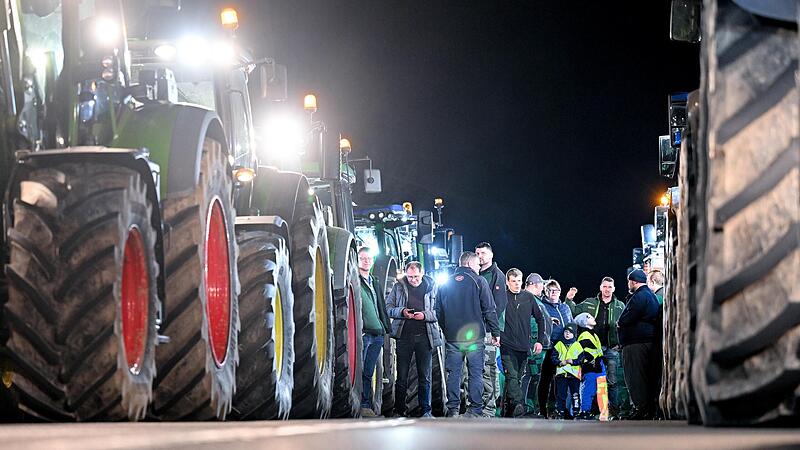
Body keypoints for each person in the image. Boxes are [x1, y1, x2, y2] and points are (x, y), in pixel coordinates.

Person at [436, 251, 500, 418]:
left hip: (452, 338)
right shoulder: (479, 281)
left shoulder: (445, 283)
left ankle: (453, 410)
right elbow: (489, 309)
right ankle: (475, 409)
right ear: (470, 264)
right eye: (478, 265)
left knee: (454, 374)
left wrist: (447, 329)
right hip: (475, 338)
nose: (479, 267)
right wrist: (495, 332)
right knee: (475, 374)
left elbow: (438, 311)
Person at [385, 261, 443, 418]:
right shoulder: (398, 287)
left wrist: (424, 315)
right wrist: (402, 311)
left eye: (416, 277)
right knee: (401, 377)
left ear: (422, 273)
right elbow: (388, 308)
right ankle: (399, 410)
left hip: (425, 337)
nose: (413, 280)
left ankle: (426, 410)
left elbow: (439, 311)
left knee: (425, 376)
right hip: (404, 337)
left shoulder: (432, 288)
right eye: (409, 277)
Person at [574, 277, 629, 418]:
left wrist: (621, 343)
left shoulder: (620, 306)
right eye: (605, 286)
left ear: (614, 289)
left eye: (610, 287)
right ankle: (591, 410)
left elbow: (626, 325)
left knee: (612, 382)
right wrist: (569, 299)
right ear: (600, 287)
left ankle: (613, 412)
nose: (607, 289)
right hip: (593, 351)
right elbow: (574, 311)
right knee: (591, 380)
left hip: (611, 348)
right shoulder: (590, 303)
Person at [500, 268, 546, 417]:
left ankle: (507, 412)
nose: (516, 284)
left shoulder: (528, 297)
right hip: (506, 345)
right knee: (512, 376)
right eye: (513, 281)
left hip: (524, 346)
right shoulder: (501, 297)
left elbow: (540, 318)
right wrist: (495, 334)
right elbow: (492, 315)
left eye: (519, 281)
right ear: (507, 282)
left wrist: (539, 341)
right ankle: (520, 404)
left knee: (515, 379)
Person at [618, 268, 660, 419]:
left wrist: (620, 323)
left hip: (636, 344)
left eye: (629, 281)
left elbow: (626, 318)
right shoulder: (650, 296)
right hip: (646, 342)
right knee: (646, 376)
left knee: (635, 377)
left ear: (633, 281)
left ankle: (641, 408)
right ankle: (647, 408)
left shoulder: (639, 296)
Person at [358, 247, 392, 417]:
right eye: (363, 258)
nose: (366, 261)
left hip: (377, 334)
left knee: (369, 372)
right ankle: (362, 405)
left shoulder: (375, 282)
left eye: (369, 258)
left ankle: (368, 405)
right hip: (364, 333)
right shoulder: (354, 281)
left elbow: (381, 307)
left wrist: (385, 328)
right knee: (361, 371)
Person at [475, 242, 507, 417]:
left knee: (489, 369)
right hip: (474, 329)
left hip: (488, 330)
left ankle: (490, 409)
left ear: (491, 255)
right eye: (478, 253)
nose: (480, 256)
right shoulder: (474, 274)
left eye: (483, 253)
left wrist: (493, 329)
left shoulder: (497, 276)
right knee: (476, 369)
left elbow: (498, 305)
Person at [537, 279, 573, 418]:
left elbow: (571, 324)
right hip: (549, 348)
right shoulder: (542, 306)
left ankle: (560, 409)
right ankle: (543, 409)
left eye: (556, 290)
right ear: (545, 292)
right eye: (550, 290)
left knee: (561, 381)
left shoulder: (565, 308)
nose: (553, 293)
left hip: (564, 349)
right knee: (545, 380)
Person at [520, 273, 551, 416]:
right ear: (535, 284)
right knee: (530, 376)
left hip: (539, 345)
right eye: (542, 285)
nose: (543, 287)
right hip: (533, 346)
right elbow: (528, 323)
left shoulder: (534, 299)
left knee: (535, 377)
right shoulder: (527, 298)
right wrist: (534, 341)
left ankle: (531, 407)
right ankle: (526, 407)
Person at [573, 312, 608, 421]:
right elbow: (585, 352)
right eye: (588, 317)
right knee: (589, 390)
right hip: (592, 367)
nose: (592, 317)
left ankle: (600, 413)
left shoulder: (593, 334)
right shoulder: (585, 335)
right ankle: (585, 411)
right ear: (584, 322)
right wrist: (593, 361)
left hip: (598, 366)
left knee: (598, 390)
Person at [551, 323, 580, 419]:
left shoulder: (577, 345)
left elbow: (582, 358)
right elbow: (553, 357)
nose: (567, 334)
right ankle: (560, 411)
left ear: (574, 334)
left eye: (570, 332)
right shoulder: (559, 344)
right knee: (561, 395)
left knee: (575, 394)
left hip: (574, 374)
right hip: (561, 374)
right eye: (566, 332)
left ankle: (576, 411)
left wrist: (574, 362)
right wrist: (559, 362)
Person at [647, 269, 665, 416]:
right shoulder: (668, 294)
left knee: (656, 376)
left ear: (652, 282)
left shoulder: (656, 298)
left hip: (658, 342)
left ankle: (656, 410)